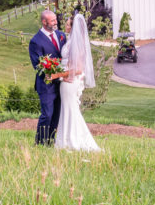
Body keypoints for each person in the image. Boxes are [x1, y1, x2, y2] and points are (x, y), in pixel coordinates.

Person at [55, 12, 102, 152]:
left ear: (73, 27)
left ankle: (72, 140)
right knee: (67, 110)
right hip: (65, 79)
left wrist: (58, 74)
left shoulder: (78, 44)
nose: (66, 26)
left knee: (71, 110)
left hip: (70, 81)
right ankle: (65, 140)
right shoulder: (69, 41)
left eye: (68, 24)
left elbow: (79, 68)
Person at [29, 10, 66, 145]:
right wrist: (53, 74)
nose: (56, 22)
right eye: (52, 21)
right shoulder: (35, 41)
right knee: (47, 114)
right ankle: (40, 142)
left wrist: (62, 75)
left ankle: (51, 141)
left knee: (56, 115)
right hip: (46, 85)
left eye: (56, 19)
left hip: (61, 83)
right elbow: (38, 65)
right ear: (44, 22)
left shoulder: (61, 35)